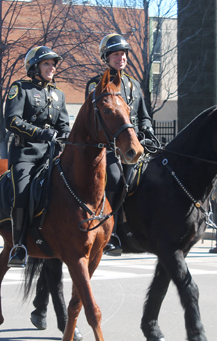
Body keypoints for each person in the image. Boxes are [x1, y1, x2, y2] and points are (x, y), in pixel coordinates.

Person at [85, 33, 154, 256]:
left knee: (144, 180)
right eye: (116, 54)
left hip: (133, 147)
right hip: (109, 147)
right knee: (115, 180)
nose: (121, 58)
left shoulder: (133, 85)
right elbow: (93, 118)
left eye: (123, 54)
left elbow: (143, 116)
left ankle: (136, 229)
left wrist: (148, 131)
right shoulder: (96, 84)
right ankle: (110, 230)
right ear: (106, 57)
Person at [5, 46, 71, 267]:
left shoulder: (58, 94)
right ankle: (19, 245)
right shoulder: (20, 88)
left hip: (51, 156)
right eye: (46, 64)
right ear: (34, 67)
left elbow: (63, 125)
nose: (51, 68)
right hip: (26, 154)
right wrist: (40, 133)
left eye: (53, 64)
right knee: (22, 194)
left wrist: (65, 136)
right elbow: (12, 121)